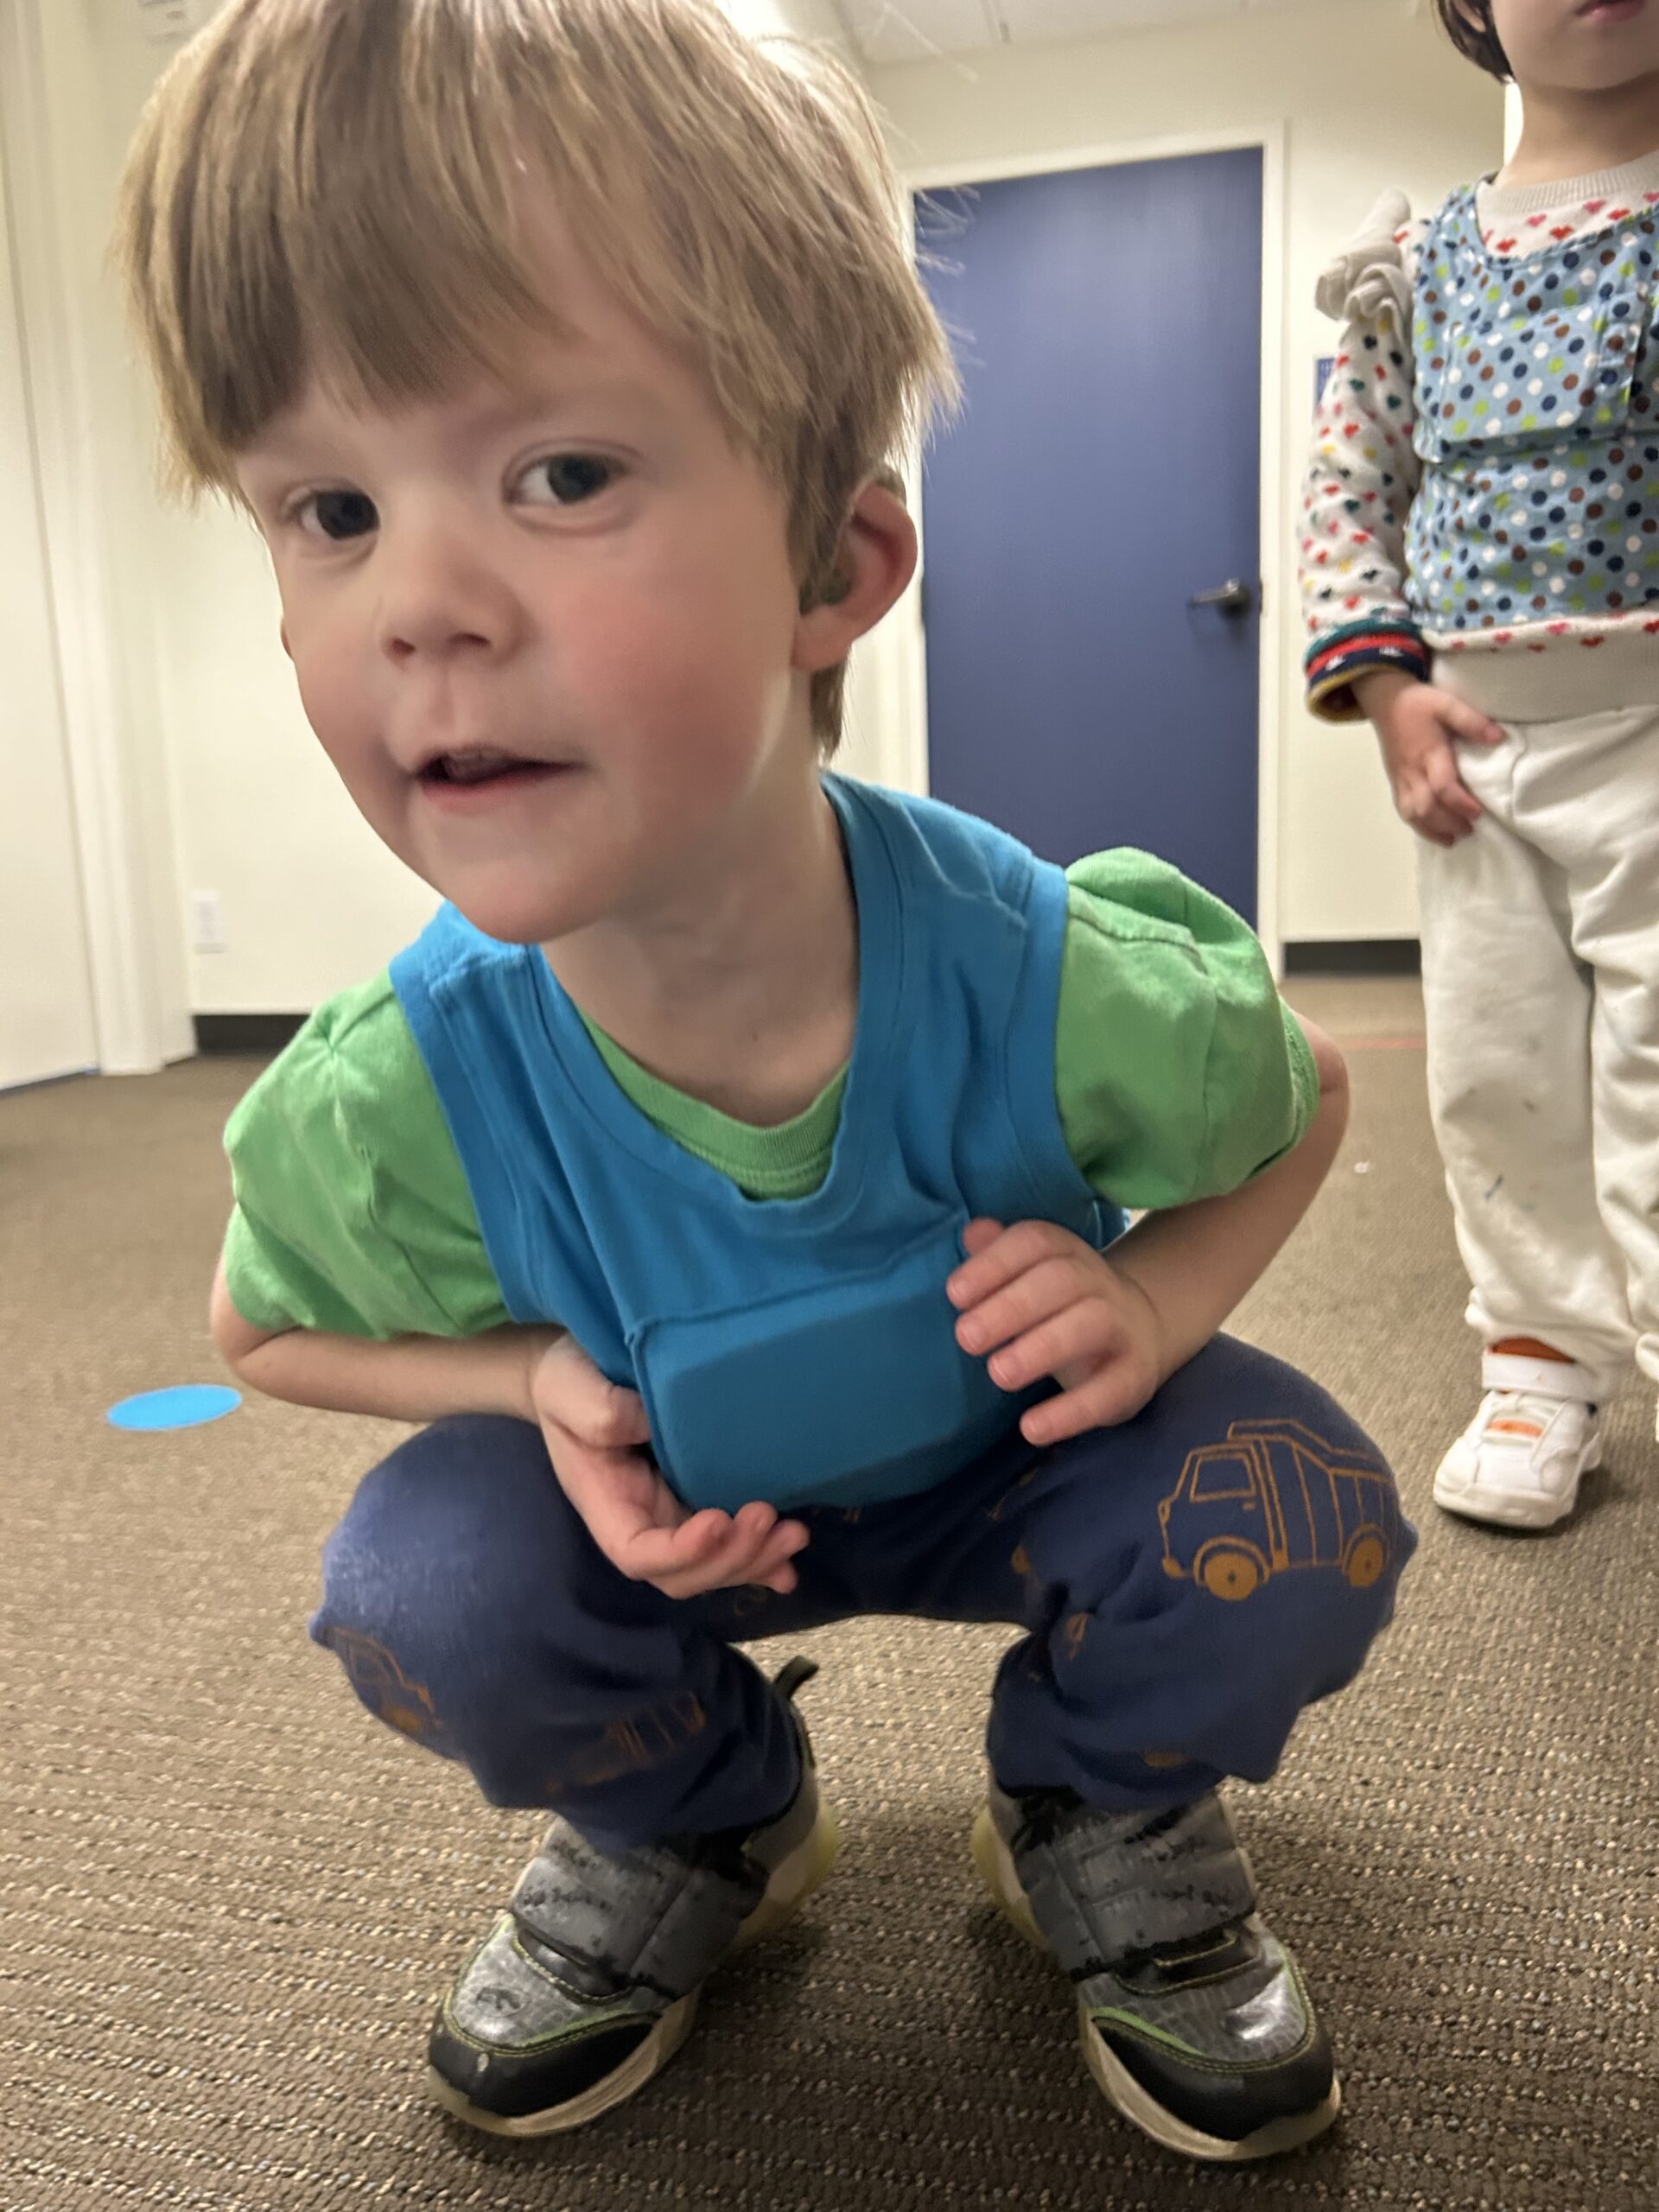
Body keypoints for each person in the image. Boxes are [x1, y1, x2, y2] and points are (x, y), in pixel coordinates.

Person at [118, 0, 1412, 2164]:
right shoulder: (406, 1086)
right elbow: (254, 1327)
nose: (421, 602)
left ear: (838, 567)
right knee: (425, 1576)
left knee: (1304, 1507)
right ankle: (699, 1821)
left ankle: (1096, 1802)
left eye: (560, 474)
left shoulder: (1046, 967)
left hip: (1021, 1468)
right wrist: (530, 1373)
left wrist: (1163, 1307)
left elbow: (1309, 1098)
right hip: (682, 1533)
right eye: (328, 505)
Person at [1300, 0, 1659, 1534]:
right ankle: (1539, 1359)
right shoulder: (1420, 263)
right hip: (1477, 738)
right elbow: (1352, 485)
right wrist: (1384, 689)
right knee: (1495, 1065)